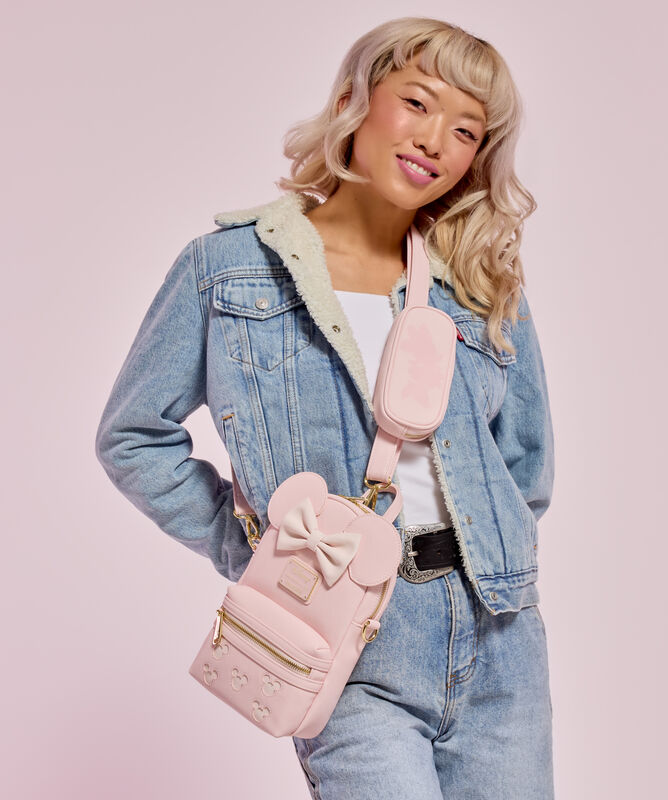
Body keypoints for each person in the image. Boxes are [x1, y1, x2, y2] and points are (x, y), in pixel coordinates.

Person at [96, 16, 556, 800]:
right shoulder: (230, 269)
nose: (436, 139)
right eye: (417, 101)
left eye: (467, 130)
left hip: (499, 635)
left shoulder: (477, 284)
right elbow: (133, 436)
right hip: (344, 632)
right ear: (355, 98)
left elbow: (525, 467)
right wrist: (256, 546)